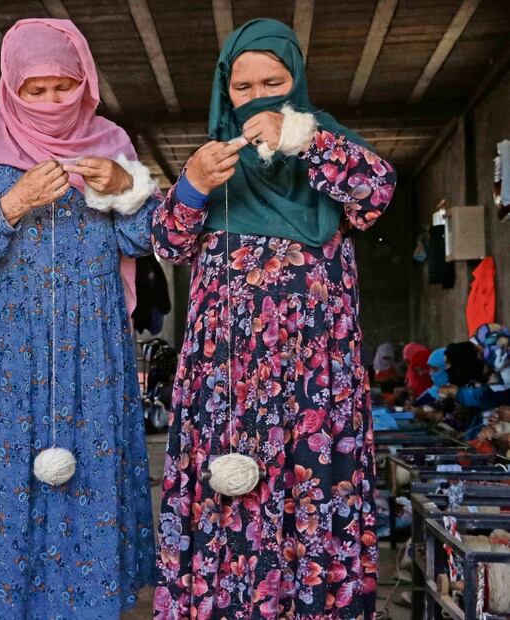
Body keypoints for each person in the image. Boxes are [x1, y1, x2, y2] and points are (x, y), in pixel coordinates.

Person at [151, 19, 396, 618]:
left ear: (297, 82)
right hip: (226, 376)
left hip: (315, 374)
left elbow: (376, 194)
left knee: (312, 488)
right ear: (224, 91)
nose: (257, 97)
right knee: (229, 493)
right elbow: (167, 244)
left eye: (274, 83)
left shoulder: (326, 146)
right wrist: (192, 186)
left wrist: (303, 139)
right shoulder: (213, 161)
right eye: (243, 87)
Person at [0, 18, 158, 618]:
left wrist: (126, 187)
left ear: (86, 83)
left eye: (64, 87)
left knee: (87, 477)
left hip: (91, 347)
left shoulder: (112, 144)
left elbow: (143, 239)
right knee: (2, 478)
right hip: (3, 347)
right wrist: (14, 202)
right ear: (12, 88)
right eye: (37, 90)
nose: (53, 101)